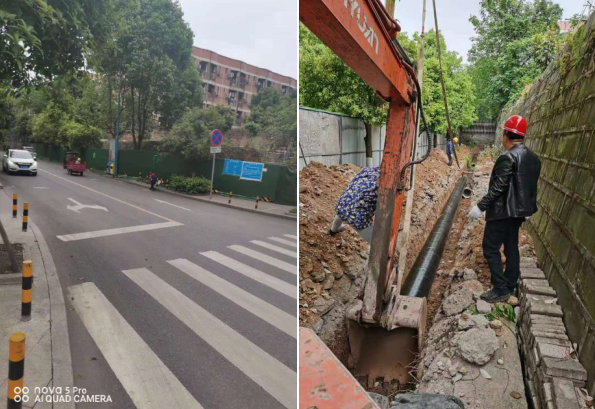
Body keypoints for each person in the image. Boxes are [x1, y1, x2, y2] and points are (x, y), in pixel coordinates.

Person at [468, 115, 541, 303]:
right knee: (511, 247)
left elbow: (498, 187)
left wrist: (480, 206)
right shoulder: (533, 158)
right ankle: (510, 284)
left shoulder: (507, 157)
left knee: (490, 248)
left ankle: (500, 289)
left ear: (505, 135)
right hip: (518, 213)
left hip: (502, 213)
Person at [329, 166, 380, 236]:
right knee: (377, 243)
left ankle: (332, 230)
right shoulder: (385, 183)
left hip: (343, 203)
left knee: (346, 208)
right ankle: (376, 245)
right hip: (357, 216)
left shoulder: (368, 169)